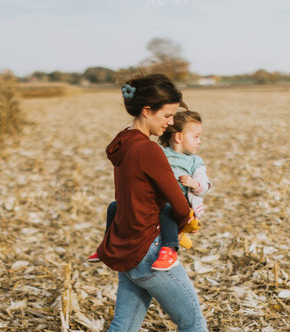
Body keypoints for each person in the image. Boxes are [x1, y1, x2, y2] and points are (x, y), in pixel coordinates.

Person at [59, 74, 261, 332]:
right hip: (151, 251)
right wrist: (190, 215)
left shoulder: (122, 142)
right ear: (147, 110)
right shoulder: (149, 150)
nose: (171, 124)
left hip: (128, 247)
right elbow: (178, 202)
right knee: (194, 327)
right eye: (166, 116)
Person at [88, 110, 211, 270]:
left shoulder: (195, 162)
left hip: (177, 207)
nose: (200, 141)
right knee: (114, 207)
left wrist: (194, 184)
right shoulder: (158, 152)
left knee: (167, 211)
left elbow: (204, 186)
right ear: (179, 137)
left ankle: (169, 249)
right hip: (154, 202)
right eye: (196, 137)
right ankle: (106, 246)